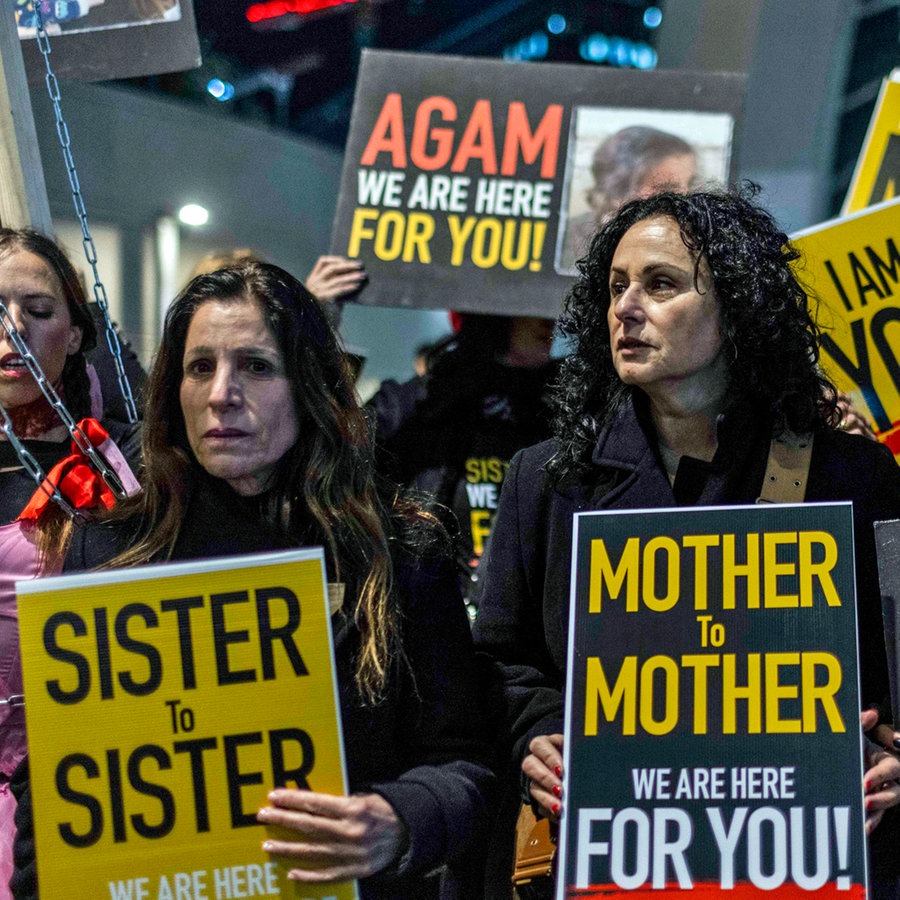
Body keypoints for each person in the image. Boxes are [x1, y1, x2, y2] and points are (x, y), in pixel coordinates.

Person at [11, 261, 493, 900]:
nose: (221, 395)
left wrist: (400, 820)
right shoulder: (105, 552)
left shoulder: (401, 550)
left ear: (310, 386)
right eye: (200, 368)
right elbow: (56, 780)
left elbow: (468, 762)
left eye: (256, 367)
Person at [473, 187, 900, 897]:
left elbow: (892, 666)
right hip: (619, 861)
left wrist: (889, 754)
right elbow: (503, 660)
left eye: (660, 284)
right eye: (614, 288)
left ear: (737, 309)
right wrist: (539, 736)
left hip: (800, 863)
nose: (625, 308)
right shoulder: (546, 481)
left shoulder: (851, 475)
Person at [0, 228, 140, 900]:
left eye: (39, 311)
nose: (14, 331)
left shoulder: (132, 457)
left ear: (78, 334)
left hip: (118, 783)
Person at [371, 311, 559, 614]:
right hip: (434, 607)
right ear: (493, 315)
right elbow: (334, 450)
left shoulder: (566, 406)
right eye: (528, 307)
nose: (548, 320)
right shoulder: (426, 401)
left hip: (526, 615)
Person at [559, 125, 698, 272]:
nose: (685, 197)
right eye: (667, 189)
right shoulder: (569, 242)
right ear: (619, 188)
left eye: (691, 183)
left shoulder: (693, 241)